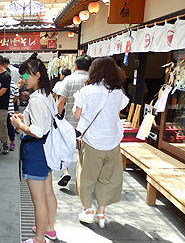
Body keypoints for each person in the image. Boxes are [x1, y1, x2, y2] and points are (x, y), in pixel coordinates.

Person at [73, 57, 129, 229]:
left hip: (92, 141)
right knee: (108, 178)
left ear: (94, 70)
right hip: (112, 140)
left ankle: (88, 211)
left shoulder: (86, 91)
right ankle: (101, 213)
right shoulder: (118, 91)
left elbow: (76, 114)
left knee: (86, 176)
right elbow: (118, 111)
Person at [10, 54, 58, 243]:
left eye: (27, 75)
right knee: (47, 192)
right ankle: (48, 228)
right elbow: (44, 124)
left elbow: (37, 132)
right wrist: (26, 119)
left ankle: (39, 240)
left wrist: (20, 124)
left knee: (38, 198)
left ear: (37, 75)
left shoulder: (36, 99)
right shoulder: (47, 94)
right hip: (46, 149)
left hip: (36, 150)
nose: (24, 79)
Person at [55, 56, 91, 187]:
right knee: (85, 150)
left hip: (70, 121)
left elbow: (61, 101)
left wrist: (57, 117)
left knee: (65, 148)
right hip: (89, 124)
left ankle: (65, 171)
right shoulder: (94, 81)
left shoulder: (69, 79)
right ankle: (83, 175)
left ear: (75, 66)